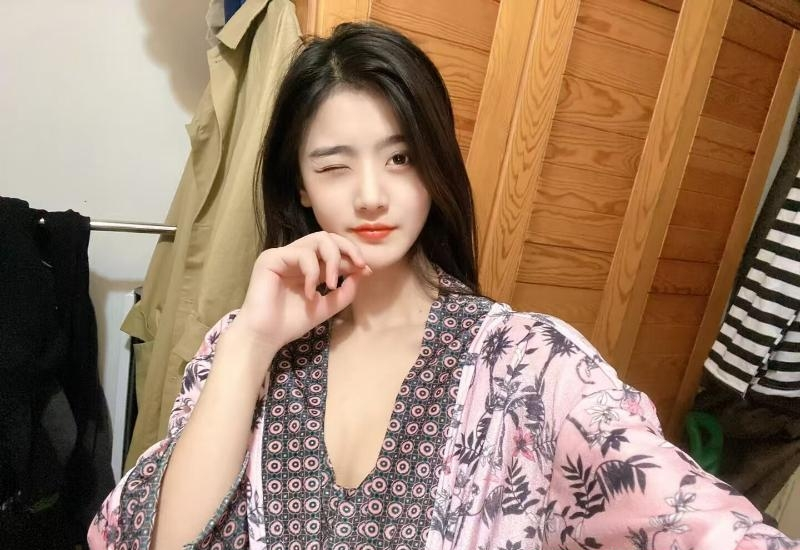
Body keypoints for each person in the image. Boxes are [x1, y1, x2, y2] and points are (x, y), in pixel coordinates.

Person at [88, 21, 799, 550]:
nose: (372, 194)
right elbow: (160, 541)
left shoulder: (525, 362)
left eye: (400, 158)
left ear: (434, 164)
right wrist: (251, 344)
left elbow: (692, 519)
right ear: (298, 186)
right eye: (334, 165)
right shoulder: (243, 345)